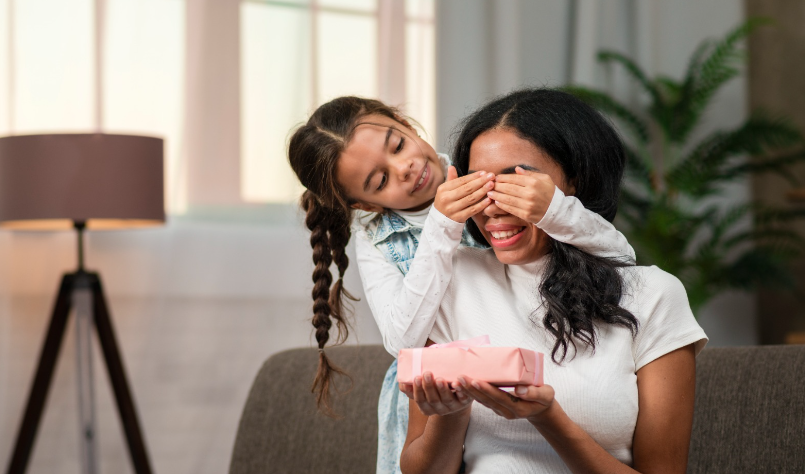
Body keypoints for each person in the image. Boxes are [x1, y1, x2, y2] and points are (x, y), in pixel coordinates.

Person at [287, 96, 635, 473]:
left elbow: (620, 261)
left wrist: (554, 210)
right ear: (366, 205)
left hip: (521, 356)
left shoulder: (482, 165)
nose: (404, 168)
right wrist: (441, 225)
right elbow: (403, 342)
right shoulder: (375, 237)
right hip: (434, 397)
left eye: (398, 145)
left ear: (403, 121)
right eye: (381, 180)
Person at [398, 88, 708, 474]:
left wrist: (548, 418)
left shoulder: (654, 295)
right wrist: (452, 411)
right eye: (478, 184)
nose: (491, 205)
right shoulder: (453, 279)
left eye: (515, 182)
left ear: (573, 181)